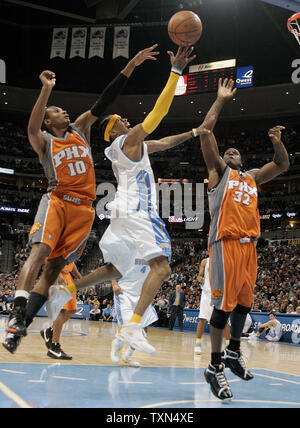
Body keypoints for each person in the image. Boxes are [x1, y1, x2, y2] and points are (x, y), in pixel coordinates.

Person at [2, 44, 160, 354]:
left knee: (52, 269)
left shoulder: (81, 129)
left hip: (84, 211)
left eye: (63, 109)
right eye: (58, 111)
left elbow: (105, 98)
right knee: (39, 253)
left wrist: (131, 66)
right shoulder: (43, 139)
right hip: (58, 201)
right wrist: (46, 90)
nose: (65, 112)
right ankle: (17, 311)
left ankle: (20, 329)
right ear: (50, 122)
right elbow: (32, 125)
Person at [45, 46, 197, 355]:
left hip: (121, 213)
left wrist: (195, 131)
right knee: (162, 268)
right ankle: (134, 325)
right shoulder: (125, 141)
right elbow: (157, 115)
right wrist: (175, 72)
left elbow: (164, 141)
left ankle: (71, 287)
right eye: (119, 119)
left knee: (115, 268)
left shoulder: (127, 148)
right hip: (139, 210)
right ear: (111, 131)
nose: (125, 119)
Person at [198, 78, 290, 401]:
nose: (232, 151)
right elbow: (206, 132)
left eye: (236, 150)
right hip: (224, 243)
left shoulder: (251, 177)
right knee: (222, 307)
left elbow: (282, 165)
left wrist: (277, 141)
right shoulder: (218, 174)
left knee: (244, 304)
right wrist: (221, 99)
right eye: (228, 151)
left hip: (249, 247)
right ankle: (213, 365)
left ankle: (234, 351)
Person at [110, 247, 158, 368]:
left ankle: (127, 356)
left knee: (144, 328)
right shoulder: (126, 248)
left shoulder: (152, 250)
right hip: (124, 291)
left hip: (142, 293)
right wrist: (114, 284)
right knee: (128, 326)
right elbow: (111, 269)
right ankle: (117, 345)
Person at [40, 262, 81, 360]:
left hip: (68, 277)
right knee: (61, 311)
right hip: (58, 275)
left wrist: (80, 277)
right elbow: (49, 257)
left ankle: (50, 331)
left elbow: (71, 261)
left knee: (72, 310)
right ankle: (54, 347)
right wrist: (56, 274)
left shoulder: (76, 248)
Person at [194, 257, 230, 355]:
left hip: (219, 292)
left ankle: (228, 345)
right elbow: (199, 275)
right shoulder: (205, 261)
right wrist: (200, 278)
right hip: (206, 292)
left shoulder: (224, 259)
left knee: (224, 320)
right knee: (202, 318)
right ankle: (198, 343)